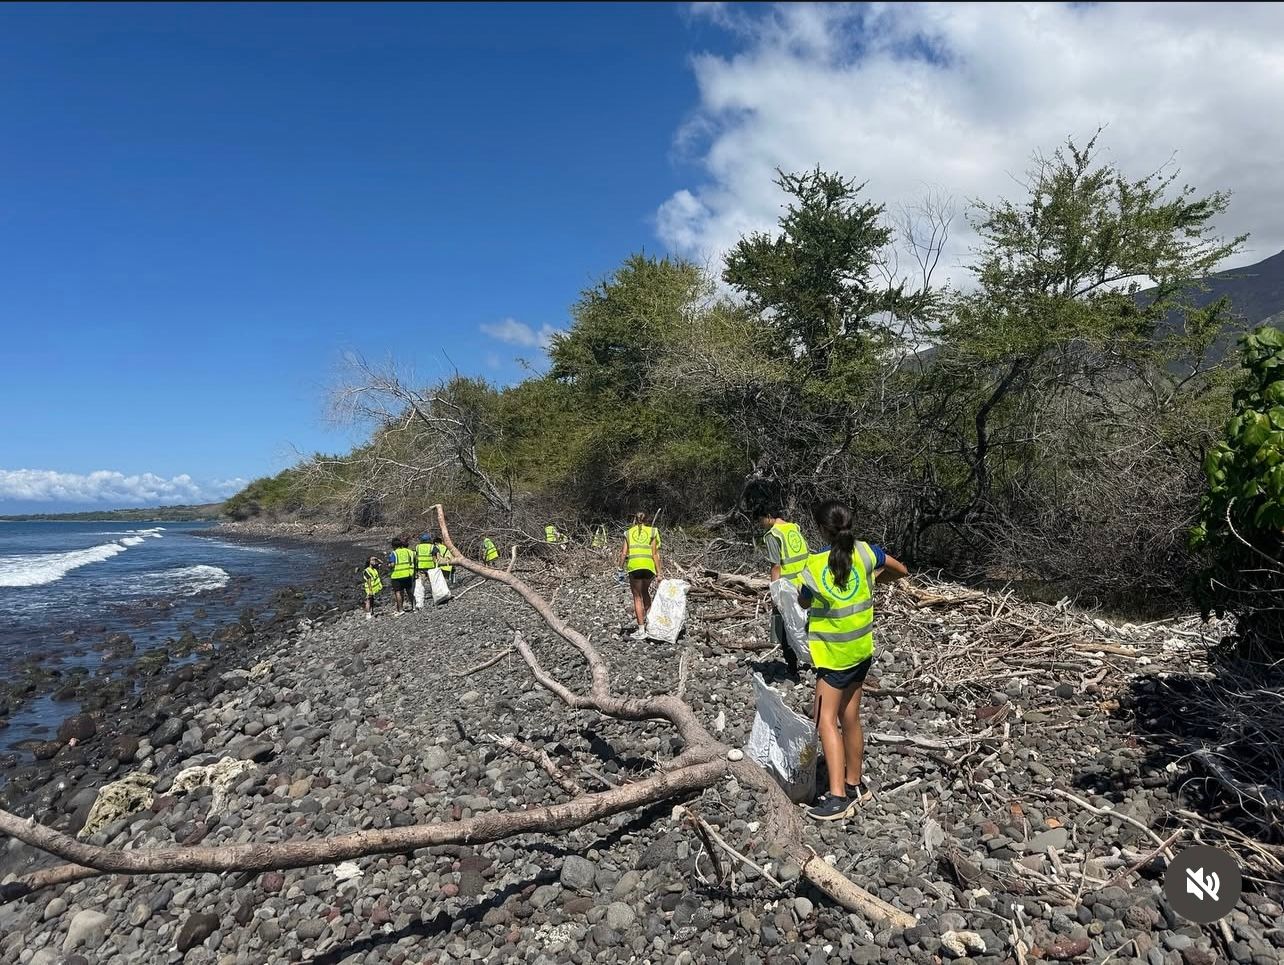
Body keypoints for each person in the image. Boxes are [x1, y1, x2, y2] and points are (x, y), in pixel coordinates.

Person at [797, 499, 908, 821]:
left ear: (820, 529)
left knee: (825, 721)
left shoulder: (815, 565)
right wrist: (875, 581)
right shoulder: (866, 553)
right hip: (861, 651)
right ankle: (854, 783)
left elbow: (804, 600)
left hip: (833, 657)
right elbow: (900, 570)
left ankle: (836, 797)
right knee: (850, 716)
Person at [758, 507, 811, 676]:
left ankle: (792, 666)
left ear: (768, 517)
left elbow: (776, 566)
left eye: (760, 520)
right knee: (809, 624)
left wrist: (775, 593)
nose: (760, 525)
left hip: (788, 587)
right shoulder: (793, 527)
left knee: (785, 627)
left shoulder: (772, 535)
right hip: (807, 582)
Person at [619, 512, 661, 640]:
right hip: (649, 567)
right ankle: (651, 625)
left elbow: (623, 553)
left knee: (637, 597)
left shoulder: (628, 533)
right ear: (647, 520)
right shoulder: (653, 532)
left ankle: (641, 630)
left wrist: (619, 568)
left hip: (634, 566)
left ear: (635, 520)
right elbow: (655, 554)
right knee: (645, 592)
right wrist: (659, 572)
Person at [386, 537, 417, 615]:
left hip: (397, 575)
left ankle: (400, 610)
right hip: (407, 574)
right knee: (409, 591)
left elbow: (392, 564)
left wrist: (388, 565)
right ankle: (414, 607)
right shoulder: (407, 552)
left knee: (398, 593)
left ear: (393, 546)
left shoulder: (394, 553)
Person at [415, 532, 438, 608]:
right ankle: (436, 599)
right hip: (431, 568)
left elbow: (416, 557)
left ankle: (420, 603)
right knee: (433, 584)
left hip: (421, 568)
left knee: (420, 585)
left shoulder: (417, 547)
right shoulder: (432, 547)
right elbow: (435, 558)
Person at [361, 556, 383, 620]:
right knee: (368, 600)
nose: (374, 561)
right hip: (369, 588)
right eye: (372, 560)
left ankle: (372, 611)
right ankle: (367, 614)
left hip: (374, 588)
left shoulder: (374, 568)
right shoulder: (367, 570)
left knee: (372, 600)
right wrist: (370, 590)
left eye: (374, 560)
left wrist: (377, 559)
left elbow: (381, 563)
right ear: (369, 561)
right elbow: (369, 581)